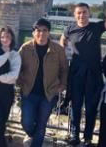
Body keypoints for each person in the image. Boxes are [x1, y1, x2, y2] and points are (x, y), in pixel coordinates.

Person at [59, 0, 106, 146]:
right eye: (79, 13)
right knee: (75, 106)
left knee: (91, 108)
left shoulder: (96, 27)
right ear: (75, 15)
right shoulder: (69, 29)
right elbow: (63, 40)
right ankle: (74, 135)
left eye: (84, 12)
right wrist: (63, 52)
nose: (82, 15)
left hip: (93, 75)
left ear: (89, 13)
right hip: (75, 74)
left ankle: (88, 138)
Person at [17, 18, 68, 147]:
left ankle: (36, 142)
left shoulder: (58, 50)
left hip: (49, 93)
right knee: (26, 122)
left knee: (41, 124)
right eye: (38, 30)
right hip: (29, 92)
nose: (41, 33)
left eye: (44, 30)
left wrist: (62, 84)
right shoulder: (25, 48)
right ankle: (34, 136)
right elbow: (17, 67)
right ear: (33, 33)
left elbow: (64, 69)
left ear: (49, 32)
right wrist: (19, 82)